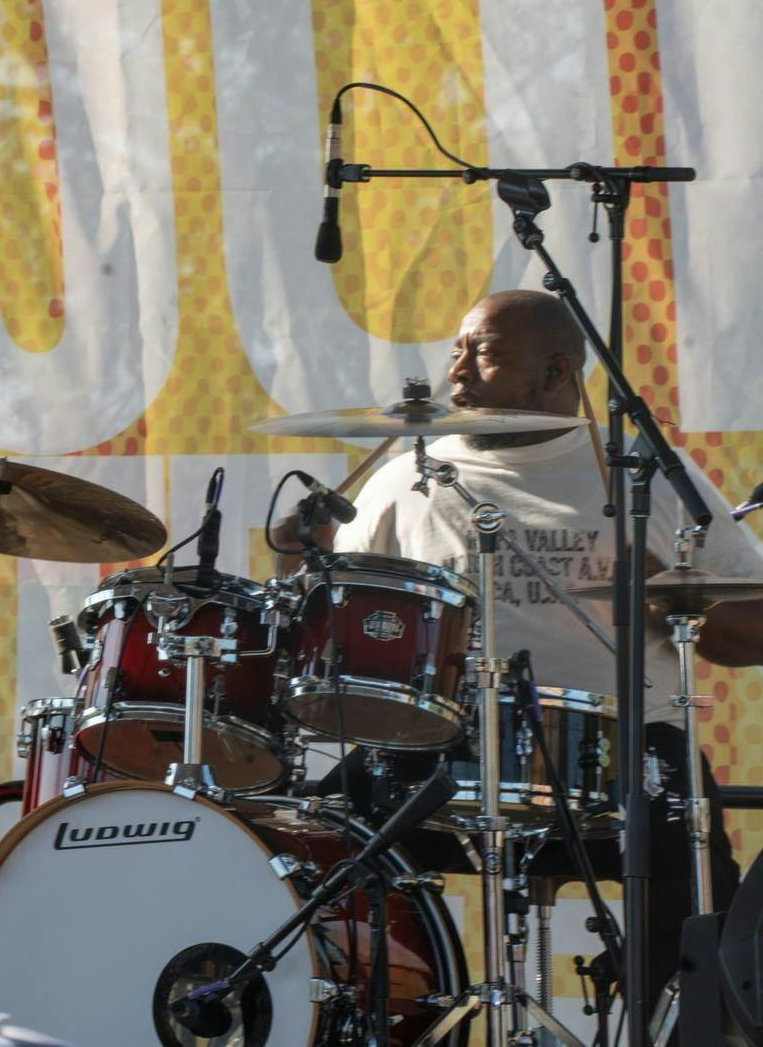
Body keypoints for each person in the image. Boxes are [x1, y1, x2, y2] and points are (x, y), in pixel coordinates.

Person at [310, 289, 763, 993]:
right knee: (318, 853)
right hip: (441, 746)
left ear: (556, 372)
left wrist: (674, 589)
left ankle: (671, 1020)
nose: (457, 371)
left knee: (701, 910)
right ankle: (387, 1011)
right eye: (456, 350)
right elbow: (344, 624)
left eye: (484, 353)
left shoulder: (645, 476)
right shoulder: (404, 478)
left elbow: (754, 631)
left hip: (627, 746)